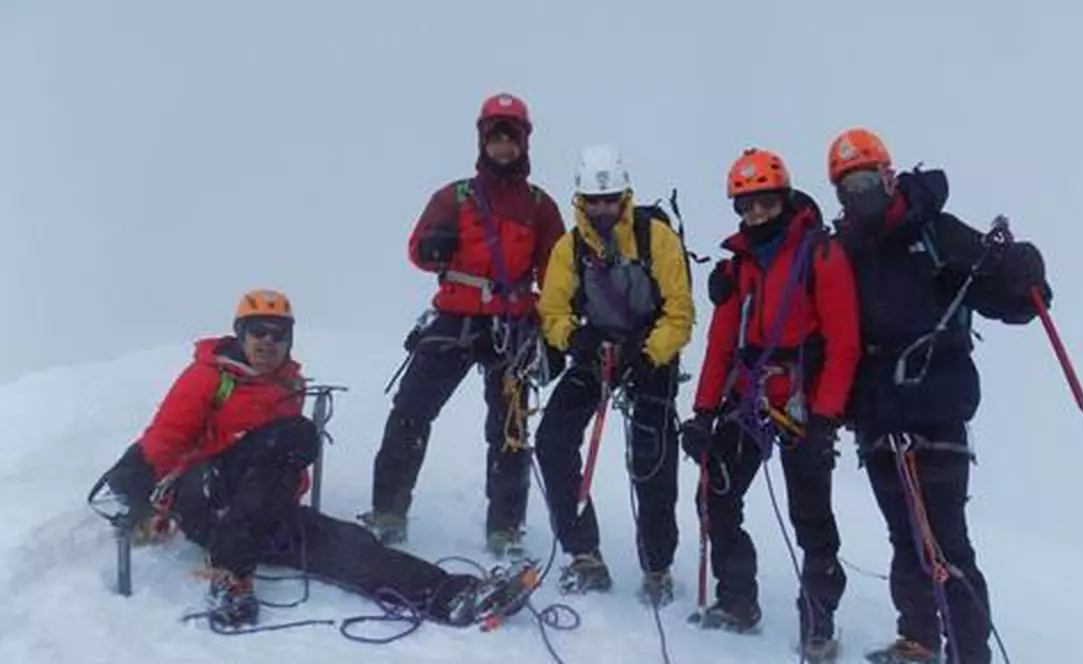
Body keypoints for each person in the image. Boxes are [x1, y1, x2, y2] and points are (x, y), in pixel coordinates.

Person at [94, 289, 535, 629]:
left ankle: (454, 596)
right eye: (257, 331)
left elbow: (282, 470)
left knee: (344, 544)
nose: (268, 341)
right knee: (295, 435)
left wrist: (283, 489)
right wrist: (140, 504)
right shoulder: (209, 377)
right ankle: (230, 576)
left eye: (277, 333)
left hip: (252, 513)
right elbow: (158, 444)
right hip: (204, 493)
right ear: (240, 334)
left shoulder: (291, 385)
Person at [824, 128, 1052, 664]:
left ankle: (969, 652)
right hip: (878, 414)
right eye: (846, 188)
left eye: (864, 181)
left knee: (946, 542)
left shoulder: (935, 233)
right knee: (905, 539)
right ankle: (920, 640)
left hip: (935, 407)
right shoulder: (845, 251)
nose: (859, 197)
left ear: (887, 175)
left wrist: (1025, 275)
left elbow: (1004, 296)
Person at [678, 148, 861, 660]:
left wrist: (826, 418)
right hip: (751, 398)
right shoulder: (739, 266)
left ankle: (818, 622)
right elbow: (720, 344)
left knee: (812, 518)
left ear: (782, 198)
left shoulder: (821, 255)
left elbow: (844, 342)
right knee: (715, 493)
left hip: (805, 404)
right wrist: (703, 412)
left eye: (762, 203)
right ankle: (738, 601)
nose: (754, 215)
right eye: (744, 206)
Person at [365, 92, 566, 554]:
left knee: (509, 429)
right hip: (455, 315)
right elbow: (416, 249)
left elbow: (555, 274)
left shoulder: (539, 205)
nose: (502, 146)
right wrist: (432, 247)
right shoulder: (454, 197)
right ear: (482, 140)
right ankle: (389, 512)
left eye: (510, 138)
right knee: (411, 412)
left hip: (511, 323)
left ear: (524, 142)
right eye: (495, 137)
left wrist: (553, 331)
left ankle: (505, 527)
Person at [534, 144, 695, 606]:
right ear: (580, 201)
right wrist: (573, 339)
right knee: (553, 440)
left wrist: (651, 354)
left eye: (609, 200)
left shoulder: (657, 239)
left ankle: (658, 565)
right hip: (597, 345)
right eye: (593, 201)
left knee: (653, 452)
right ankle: (583, 553)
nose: (602, 209)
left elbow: (679, 311)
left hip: (650, 349)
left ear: (624, 196)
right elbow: (553, 309)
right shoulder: (571, 248)